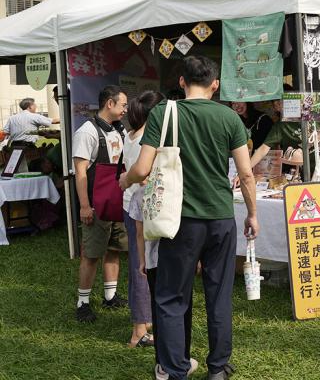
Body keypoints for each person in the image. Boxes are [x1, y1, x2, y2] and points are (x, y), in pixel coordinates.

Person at [120, 56, 259, 380]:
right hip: (221, 218)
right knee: (219, 294)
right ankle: (217, 367)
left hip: (178, 221)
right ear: (215, 84)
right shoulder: (228, 117)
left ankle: (175, 369)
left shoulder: (163, 113)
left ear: (181, 82)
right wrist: (252, 213)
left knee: (170, 296)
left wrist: (125, 180)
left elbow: (141, 169)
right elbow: (246, 174)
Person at [73, 85, 129, 323]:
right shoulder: (87, 131)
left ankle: (110, 295)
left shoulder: (120, 130)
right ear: (110, 104)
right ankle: (83, 302)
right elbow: (80, 172)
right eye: (123, 104)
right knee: (92, 254)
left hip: (118, 201)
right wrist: (85, 206)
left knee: (115, 248)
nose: (126, 109)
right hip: (97, 203)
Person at [123, 91, 164, 349]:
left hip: (134, 207)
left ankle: (145, 322)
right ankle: (139, 328)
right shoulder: (144, 140)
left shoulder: (133, 135)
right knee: (143, 266)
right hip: (142, 208)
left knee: (142, 264)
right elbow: (143, 174)